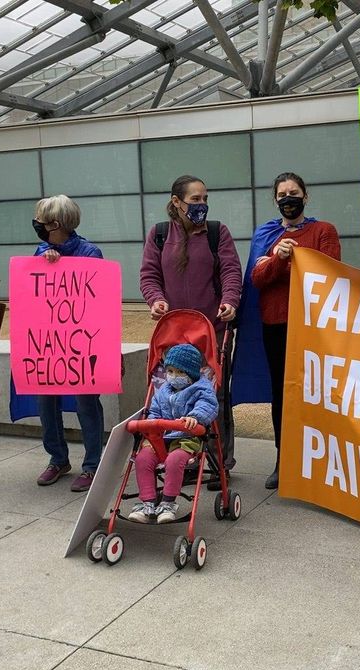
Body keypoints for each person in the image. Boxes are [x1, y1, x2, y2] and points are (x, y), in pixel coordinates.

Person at [235, 173, 341, 489]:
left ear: (305, 197)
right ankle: (285, 460)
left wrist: (288, 260)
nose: (288, 198)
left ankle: (323, 462)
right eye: (282, 194)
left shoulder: (323, 230)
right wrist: (279, 259)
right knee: (282, 393)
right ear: (276, 200)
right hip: (276, 325)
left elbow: (328, 269)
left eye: (293, 192)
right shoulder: (267, 235)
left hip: (313, 327)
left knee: (318, 393)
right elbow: (257, 278)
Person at [139, 175, 242, 483]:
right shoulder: (159, 235)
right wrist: (155, 299)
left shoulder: (216, 232)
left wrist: (230, 301)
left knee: (214, 396)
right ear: (176, 201)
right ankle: (180, 458)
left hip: (212, 329)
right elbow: (149, 275)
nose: (202, 205)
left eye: (204, 199)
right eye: (195, 199)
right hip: (174, 334)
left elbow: (231, 270)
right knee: (172, 395)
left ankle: (219, 460)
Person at [29, 195, 105, 493]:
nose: (36, 224)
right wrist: (44, 263)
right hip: (48, 343)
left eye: (40, 219)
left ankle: (92, 464)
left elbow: (96, 297)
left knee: (86, 401)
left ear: (55, 224)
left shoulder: (89, 253)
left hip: (82, 343)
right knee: (46, 400)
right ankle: (57, 458)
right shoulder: (40, 250)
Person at [130, 343, 218, 524]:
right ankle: (148, 502)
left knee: (174, 460)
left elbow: (208, 405)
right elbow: (154, 411)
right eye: (170, 371)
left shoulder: (202, 389)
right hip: (161, 438)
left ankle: (168, 502)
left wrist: (195, 417)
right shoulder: (163, 391)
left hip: (186, 438)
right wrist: (151, 423)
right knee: (142, 459)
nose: (173, 376)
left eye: (180, 372)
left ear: (192, 374)